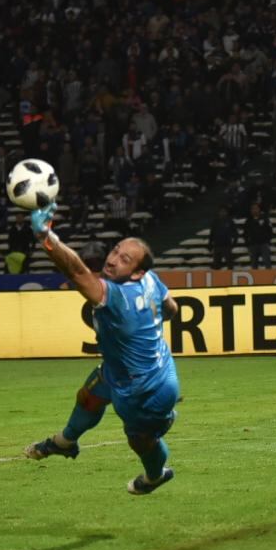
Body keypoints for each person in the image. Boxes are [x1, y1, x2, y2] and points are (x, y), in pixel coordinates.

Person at [23, 204, 180, 495]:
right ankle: (66, 442)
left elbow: (75, 270)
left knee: (140, 441)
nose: (113, 260)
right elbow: (172, 308)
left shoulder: (118, 296)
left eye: (125, 259)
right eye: (116, 250)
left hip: (145, 389)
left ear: (137, 273)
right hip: (127, 369)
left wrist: (46, 236)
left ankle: (155, 475)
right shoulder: (152, 280)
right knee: (89, 396)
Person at [243, 202, 274, 269]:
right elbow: (245, 233)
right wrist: (248, 243)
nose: (254, 210)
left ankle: (269, 277)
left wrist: (267, 241)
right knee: (254, 264)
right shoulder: (248, 221)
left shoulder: (265, 219)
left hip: (263, 244)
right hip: (253, 245)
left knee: (267, 262)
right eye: (253, 209)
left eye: (256, 208)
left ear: (259, 209)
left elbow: (270, 231)